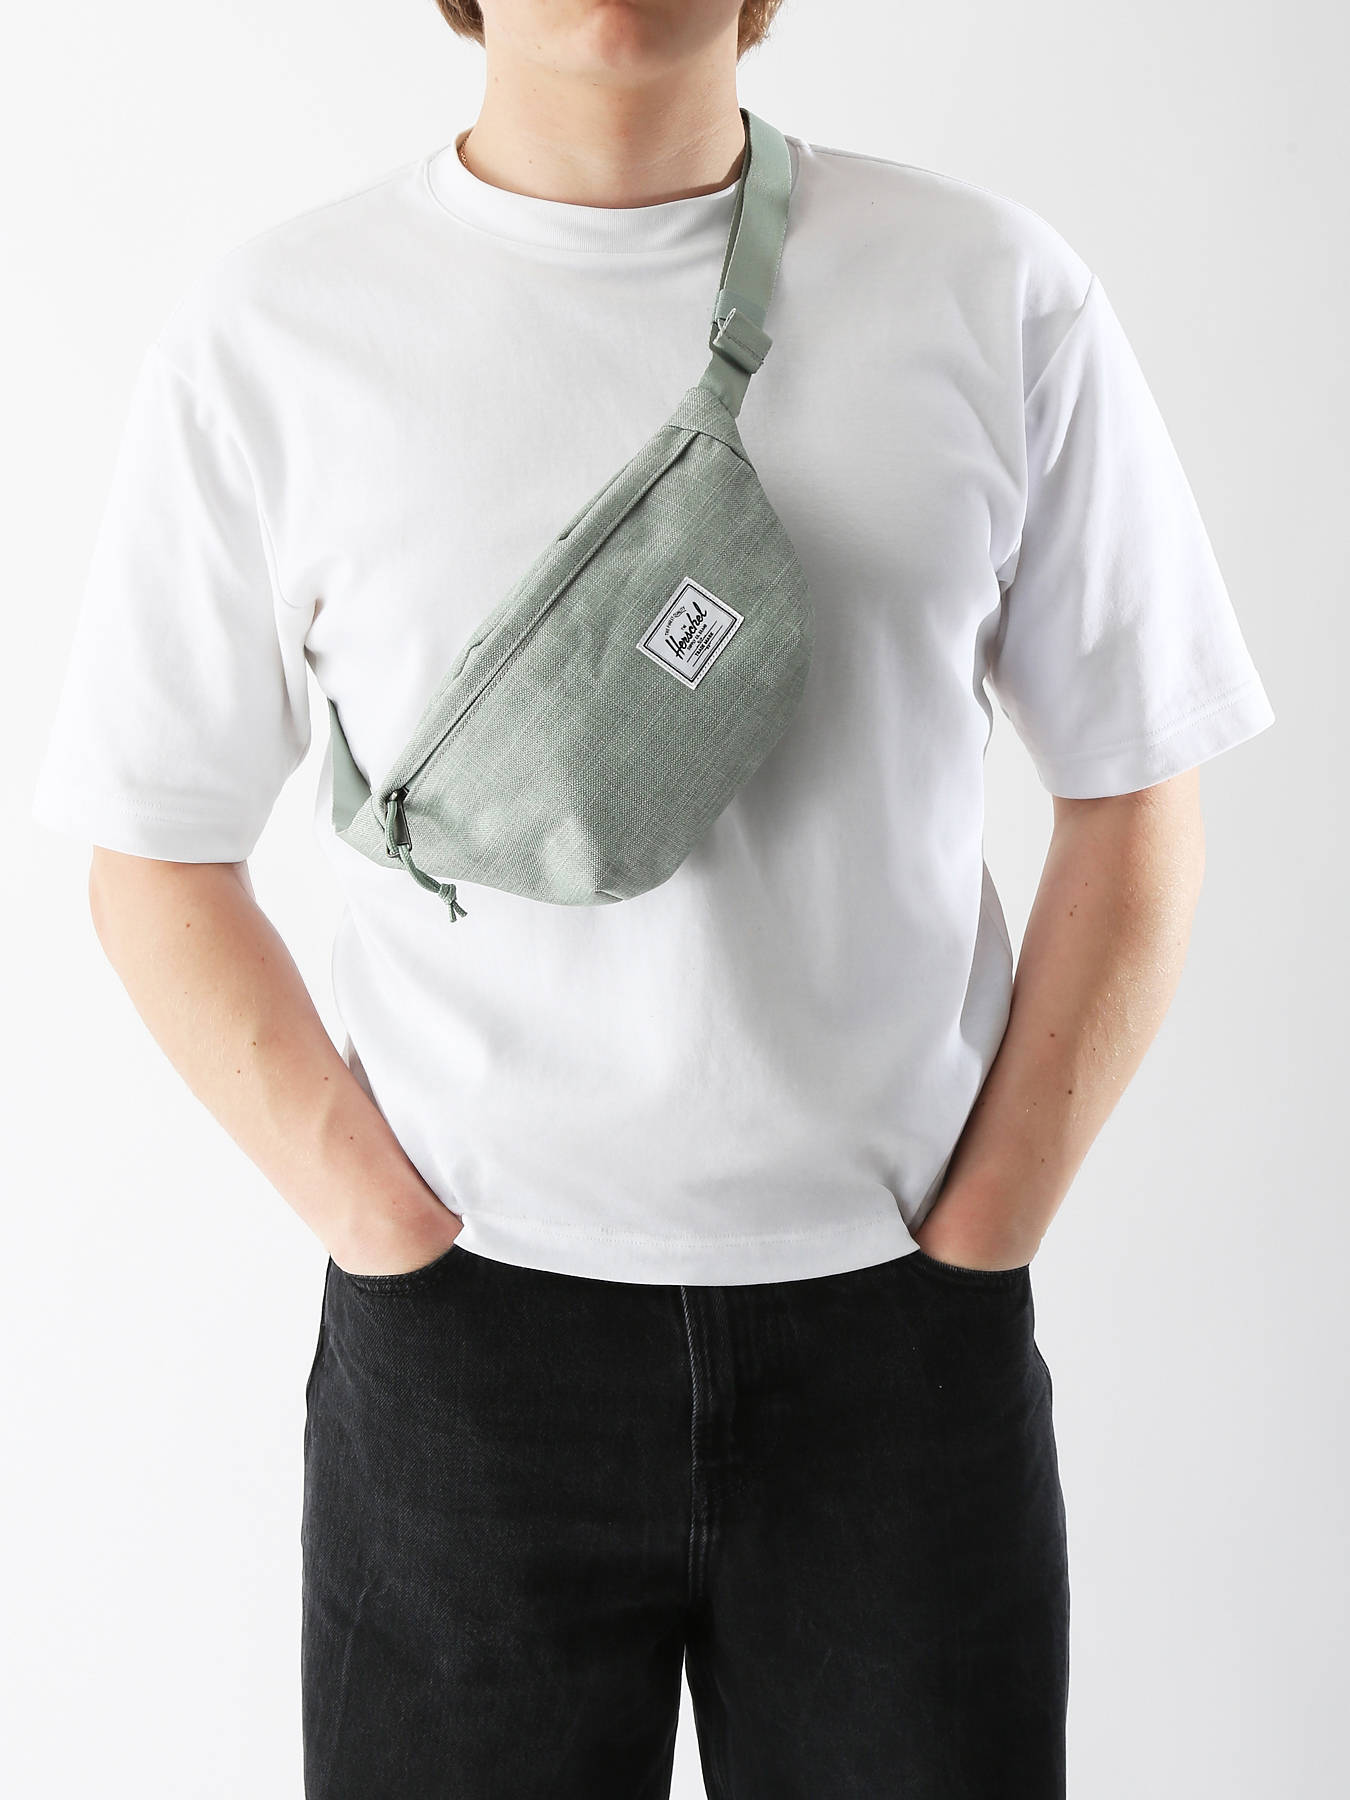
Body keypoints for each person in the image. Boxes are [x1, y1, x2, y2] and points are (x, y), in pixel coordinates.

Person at [30, 1, 1275, 1795]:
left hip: (897, 1343)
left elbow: (1140, 782)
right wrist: (377, 1221)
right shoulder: (274, 334)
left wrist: (986, 1227)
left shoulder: (990, 290)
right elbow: (150, 849)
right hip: (467, 1354)